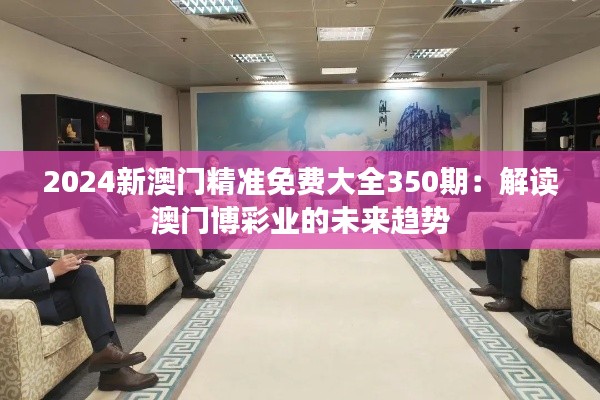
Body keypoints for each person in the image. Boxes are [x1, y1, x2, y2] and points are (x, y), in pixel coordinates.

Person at [0, 171, 158, 392]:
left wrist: (65, 263)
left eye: (35, 205)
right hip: (24, 307)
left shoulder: (21, 225)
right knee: (90, 299)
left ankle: (108, 357)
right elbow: (3, 286)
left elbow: (37, 262)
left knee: (85, 274)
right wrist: (51, 271)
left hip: (40, 293)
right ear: (4, 200)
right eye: (28, 206)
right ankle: (113, 369)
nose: (32, 211)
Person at [79, 161, 222, 300]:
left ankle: (189, 287)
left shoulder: (105, 197)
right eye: (113, 175)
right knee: (172, 230)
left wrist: (137, 224)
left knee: (176, 242)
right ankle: (198, 263)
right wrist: (138, 217)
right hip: (124, 243)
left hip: (131, 235)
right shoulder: (91, 200)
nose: (116, 178)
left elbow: (117, 220)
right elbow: (108, 226)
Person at [470, 156, 587, 312]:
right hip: (540, 235)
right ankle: (496, 285)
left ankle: (512, 299)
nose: (534, 177)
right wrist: (529, 223)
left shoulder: (570, 196)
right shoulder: (551, 189)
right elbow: (542, 215)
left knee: (508, 242)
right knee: (491, 233)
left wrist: (525, 237)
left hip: (551, 243)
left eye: (537, 174)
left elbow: (560, 231)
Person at [156, 157, 231, 261]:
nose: (179, 170)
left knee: (210, 213)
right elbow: (180, 208)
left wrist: (190, 191)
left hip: (183, 210)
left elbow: (182, 203)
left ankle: (213, 250)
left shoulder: (171, 183)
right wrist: (188, 192)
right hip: (174, 214)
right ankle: (208, 253)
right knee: (206, 216)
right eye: (177, 168)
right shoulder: (163, 185)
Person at [433, 161, 491, 262]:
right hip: (481, 219)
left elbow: (463, 210)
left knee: (442, 221)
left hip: (469, 220)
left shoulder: (468, 184)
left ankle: (446, 254)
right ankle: (453, 254)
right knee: (450, 221)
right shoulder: (483, 182)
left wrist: (453, 214)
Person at [351, 156, 387, 222]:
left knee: (370, 198)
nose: (367, 164)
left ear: (374, 164)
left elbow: (380, 188)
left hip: (376, 194)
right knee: (363, 198)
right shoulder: (361, 174)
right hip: (365, 194)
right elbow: (352, 186)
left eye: (369, 162)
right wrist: (357, 183)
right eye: (366, 162)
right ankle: (365, 219)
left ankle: (370, 220)